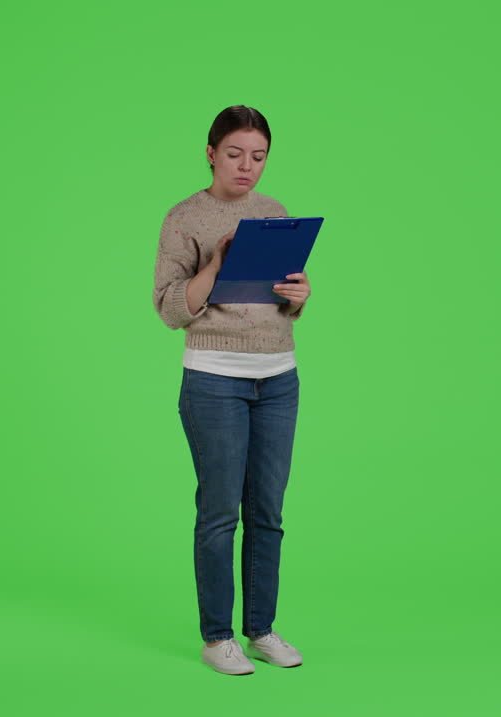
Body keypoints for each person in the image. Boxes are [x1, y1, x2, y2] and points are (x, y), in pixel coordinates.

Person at [152, 105, 312, 675]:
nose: (248, 166)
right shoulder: (184, 218)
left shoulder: (274, 213)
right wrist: (215, 267)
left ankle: (261, 629)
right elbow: (171, 309)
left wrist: (297, 293)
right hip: (214, 378)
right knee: (220, 512)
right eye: (236, 153)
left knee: (267, 511)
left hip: (278, 377)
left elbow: (279, 306)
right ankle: (217, 635)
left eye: (260, 156)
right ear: (211, 153)